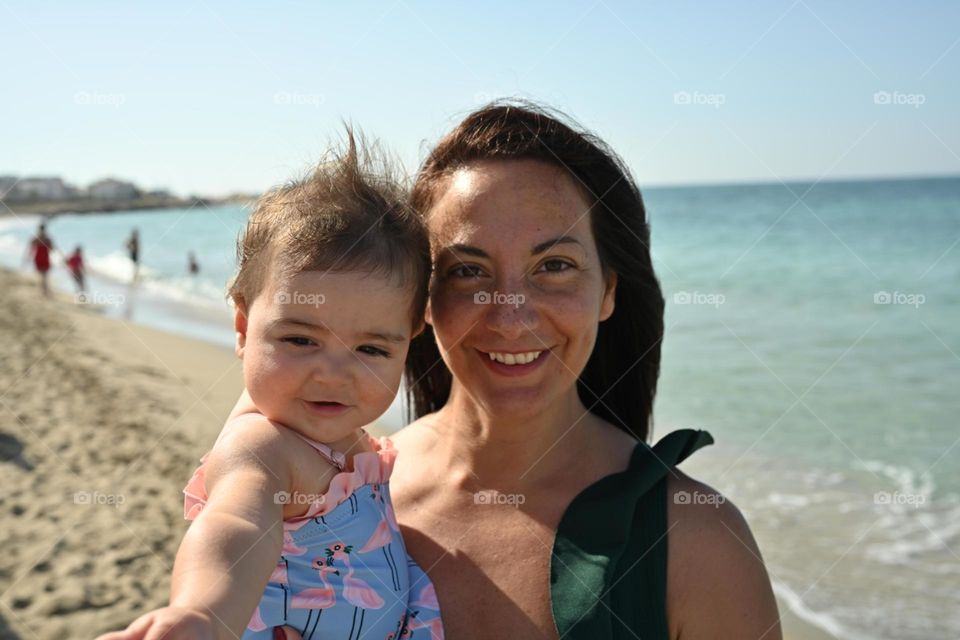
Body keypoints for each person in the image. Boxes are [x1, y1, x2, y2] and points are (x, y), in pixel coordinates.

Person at [263, 102, 781, 639]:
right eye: (468, 271)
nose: (511, 318)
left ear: (607, 290)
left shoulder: (698, 543)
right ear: (420, 302)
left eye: (554, 266)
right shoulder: (328, 497)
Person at [96, 132, 443, 640]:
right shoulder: (261, 447)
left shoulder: (339, 436)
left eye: (371, 350)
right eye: (300, 339)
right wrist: (204, 614)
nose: (333, 373)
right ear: (242, 328)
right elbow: (235, 526)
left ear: (408, 342)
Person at [24, 222, 54, 296]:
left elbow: (30, 249)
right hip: (40, 258)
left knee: (44, 275)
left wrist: (27, 258)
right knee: (43, 275)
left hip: (43, 258)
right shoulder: (43, 239)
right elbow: (52, 249)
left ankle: (44, 290)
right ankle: (44, 290)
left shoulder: (40, 238)